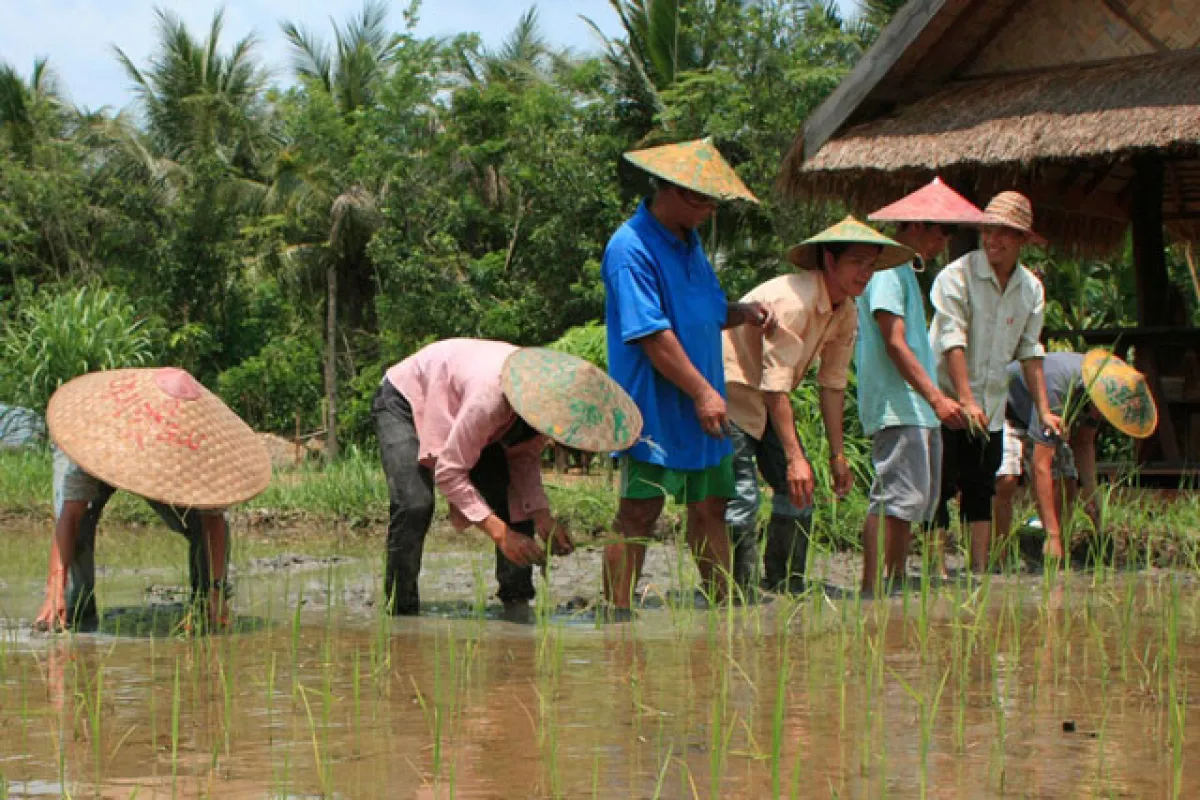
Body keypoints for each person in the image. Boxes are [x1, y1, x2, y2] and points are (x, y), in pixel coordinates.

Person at [601, 137, 775, 613]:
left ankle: (721, 608)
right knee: (639, 512)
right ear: (670, 191)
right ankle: (617, 617)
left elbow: (706, 310)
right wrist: (702, 391)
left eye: (714, 201)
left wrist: (744, 311)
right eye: (702, 200)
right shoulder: (630, 247)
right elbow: (651, 334)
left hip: (703, 403)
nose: (710, 211)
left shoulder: (691, 244)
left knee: (711, 506)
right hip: (655, 405)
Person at [375, 340, 641, 616]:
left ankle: (517, 601)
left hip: (459, 395)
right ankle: (400, 609)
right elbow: (450, 472)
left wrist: (542, 517)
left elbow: (523, 460)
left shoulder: (542, 411)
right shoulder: (489, 401)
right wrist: (501, 534)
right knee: (414, 504)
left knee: (513, 500)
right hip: (406, 396)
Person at [723, 217, 914, 595]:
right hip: (734, 394)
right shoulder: (794, 303)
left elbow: (832, 384)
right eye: (857, 261)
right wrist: (795, 457)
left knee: (800, 490)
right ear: (830, 261)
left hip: (768, 401)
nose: (865, 272)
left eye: (871, 264)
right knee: (743, 495)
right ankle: (736, 591)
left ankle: (784, 582)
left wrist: (837, 456)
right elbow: (776, 387)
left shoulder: (846, 311)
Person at [35, 367, 272, 632]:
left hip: (168, 464)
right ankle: (71, 613)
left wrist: (217, 592)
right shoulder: (93, 438)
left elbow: (213, 522)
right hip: (102, 446)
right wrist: (53, 590)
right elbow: (70, 518)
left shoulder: (202, 456)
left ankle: (207, 607)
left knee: (199, 523)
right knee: (74, 559)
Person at [855, 178, 982, 594]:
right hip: (900, 403)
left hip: (915, 406)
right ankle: (876, 586)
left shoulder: (906, 272)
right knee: (892, 497)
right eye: (940, 231)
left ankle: (892, 580)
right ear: (914, 228)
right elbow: (893, 341)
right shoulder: (889, 269)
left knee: (909, 502)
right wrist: (935, 396)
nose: (943, 241)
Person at [928, 191, 1062, 573]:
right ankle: (935, 574)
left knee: (980, 489)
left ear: (1022, 240)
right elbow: (952, 340)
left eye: (1004, 232)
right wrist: (966, 401)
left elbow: (1030, 351)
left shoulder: (1031, 290)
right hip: (948, 403)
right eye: (989, 230)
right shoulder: (957, 276)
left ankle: (980, 572)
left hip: (991, 410)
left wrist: (1045, 411)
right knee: (940, 489)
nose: (993, 240)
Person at [994, 349, 1157, 559]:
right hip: (1006, 409)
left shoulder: (1105, 391)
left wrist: (1091, 494)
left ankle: (1055, 553)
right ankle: (999, 555)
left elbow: (1084, 442)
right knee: (1006, 480)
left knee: (1067, 482)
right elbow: (1040, 466)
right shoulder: (1059, 387)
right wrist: (1051, 535)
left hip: (1043, 418)